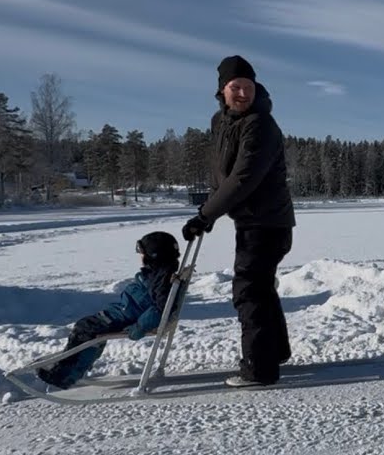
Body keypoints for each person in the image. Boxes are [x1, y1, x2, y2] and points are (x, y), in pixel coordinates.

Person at [181, 55, 296, 388]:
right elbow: (223, 174)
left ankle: (259, 370)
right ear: (222, 90)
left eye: (248, 86)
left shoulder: (261, 124)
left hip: (268, 223)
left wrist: (206, 214)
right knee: (260, 288)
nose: (243, 93)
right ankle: (272, 353)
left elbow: (244, 177)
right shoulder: (221, 122)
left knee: (249, 291)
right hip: (252, 222)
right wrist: (211, 212)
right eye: (236, 87)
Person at [37, 232, 181, 389]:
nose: (139, 256)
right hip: (124, 313)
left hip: (126, 319)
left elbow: (161, 308)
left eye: (142, 253)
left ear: (154, 255)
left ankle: (63, 376)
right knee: (86, 327)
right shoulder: (159, 273)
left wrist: (139, 328)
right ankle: (68, 364)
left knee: (85, 329)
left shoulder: (161, 278)